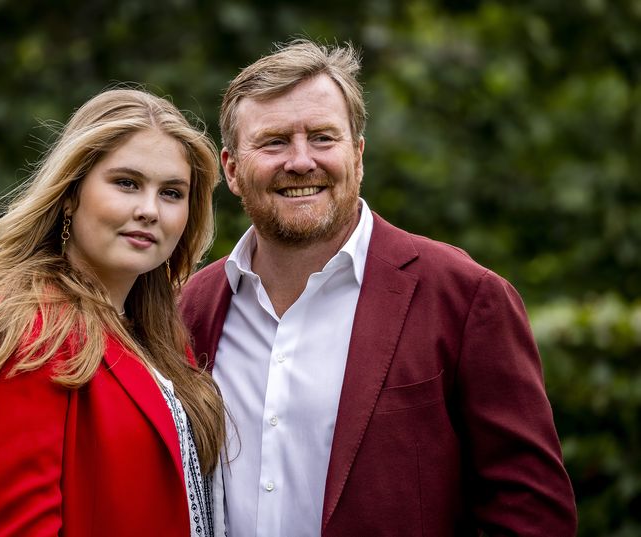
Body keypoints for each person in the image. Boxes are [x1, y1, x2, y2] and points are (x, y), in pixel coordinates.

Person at [179, 40, 578, 536]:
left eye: (323, 137)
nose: (301, 161)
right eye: (274, 141)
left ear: (359, 155)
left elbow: (532, 516)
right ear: (233, 170)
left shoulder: (464, 297)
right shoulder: (189, 308)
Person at [0, 88, 225, 536]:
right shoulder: (23, 334)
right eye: (126, 183)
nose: (149, 210)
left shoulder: (160, 340)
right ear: (70, 194)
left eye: (172, 193)